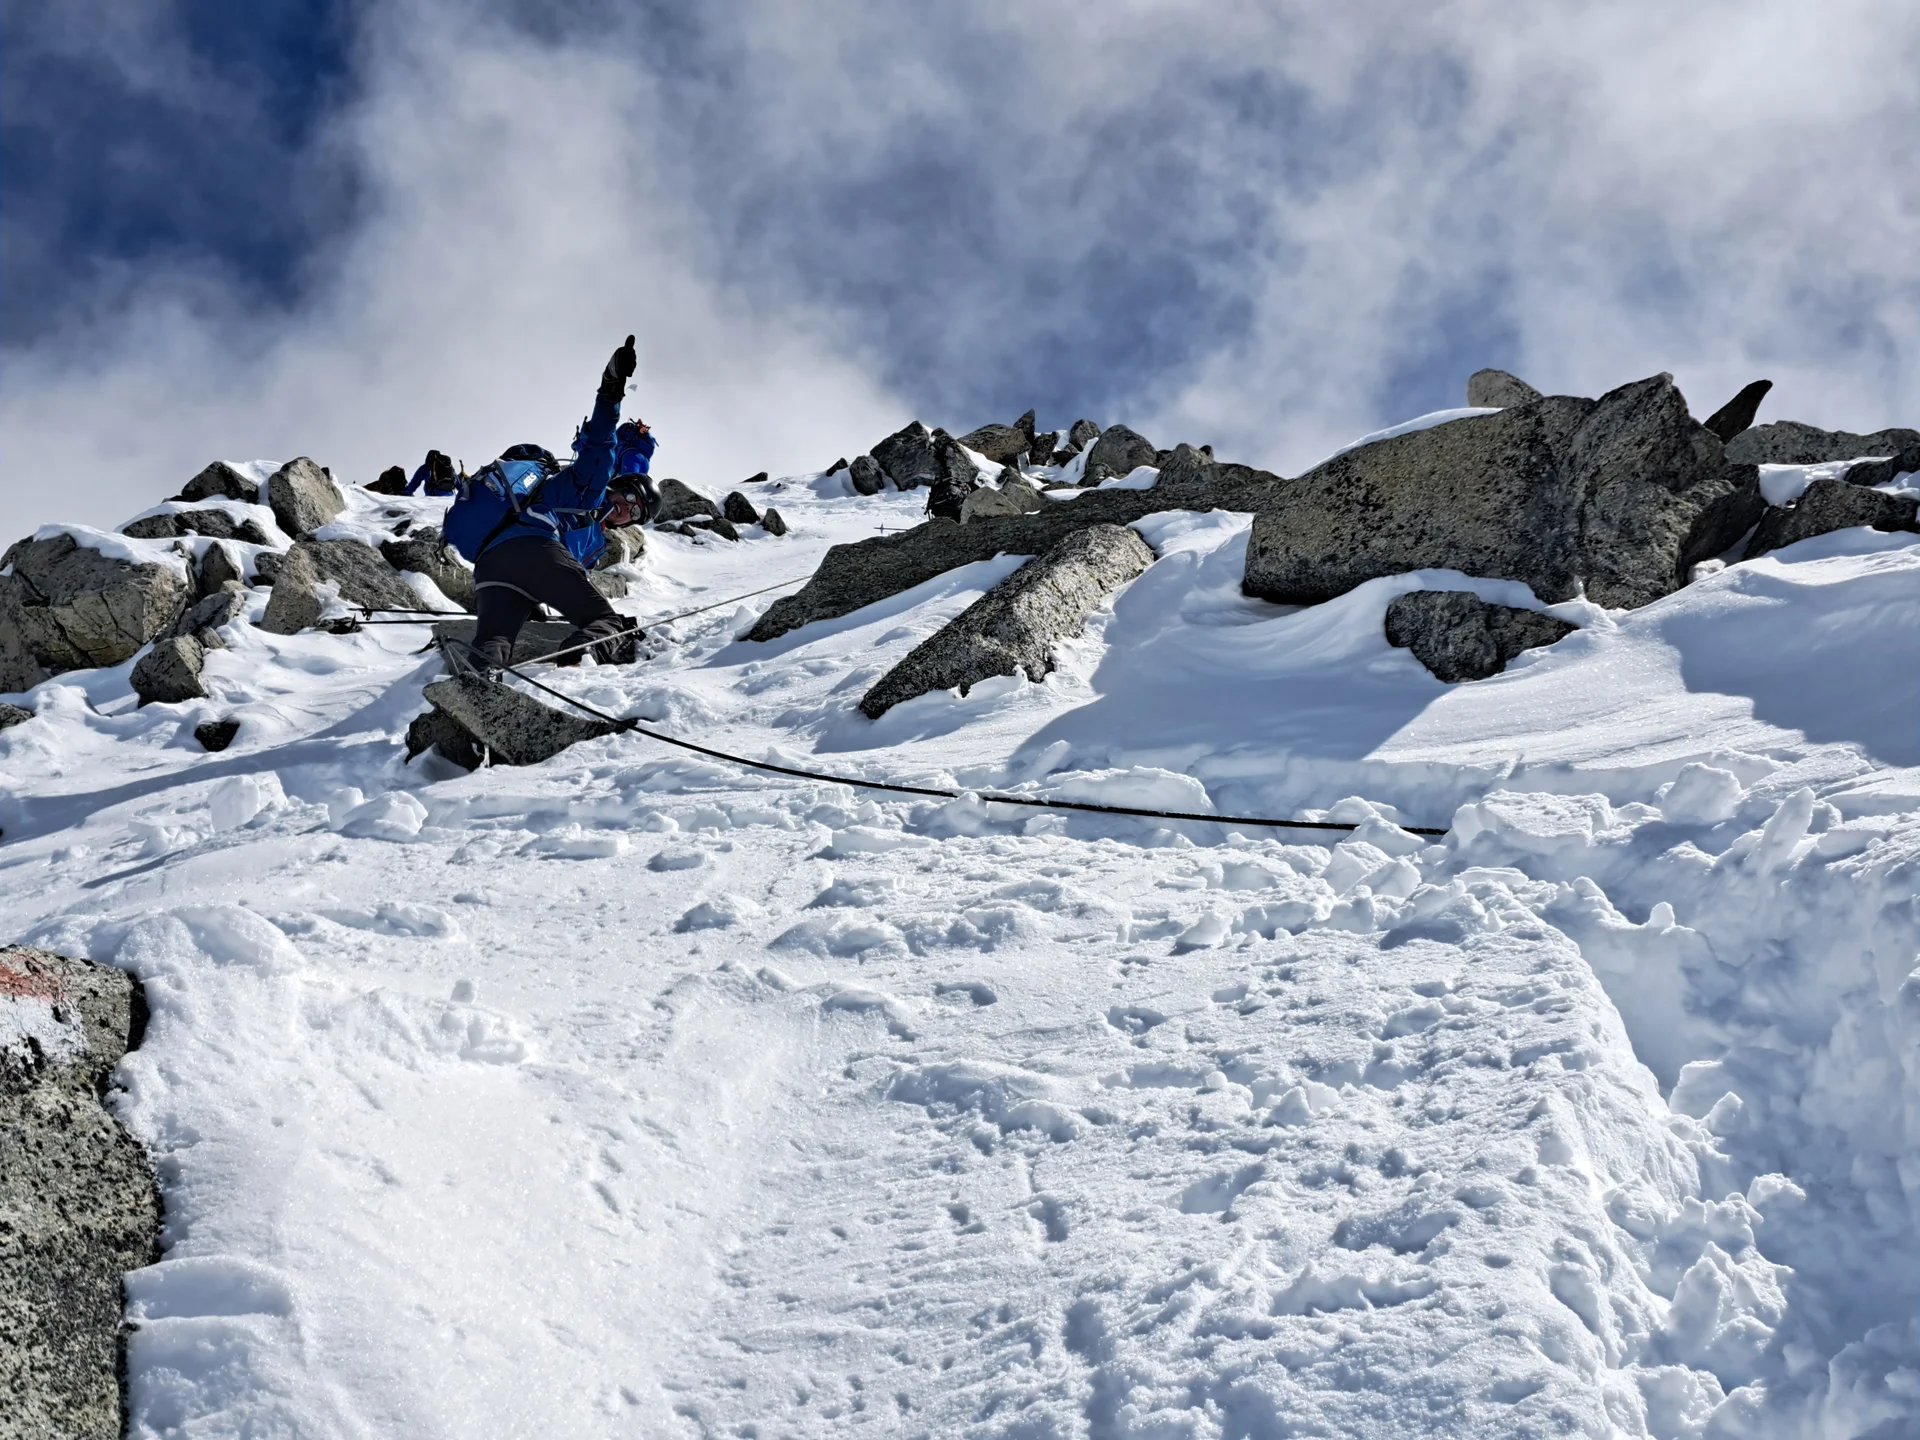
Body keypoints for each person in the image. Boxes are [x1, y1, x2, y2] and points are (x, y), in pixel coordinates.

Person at [463, 335, 658, 673]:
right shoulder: (590, 489)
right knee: (606, 622)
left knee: (494, 640)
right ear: (617, 482)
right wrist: (611, 388)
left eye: (637, 511)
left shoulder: (594, 544)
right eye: (629, 496)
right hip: (532, 545)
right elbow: (600, 442)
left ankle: (474, 687)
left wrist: (537, 597)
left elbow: (559, 575)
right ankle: (572, 665)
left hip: (492, 565)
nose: (629, 508)